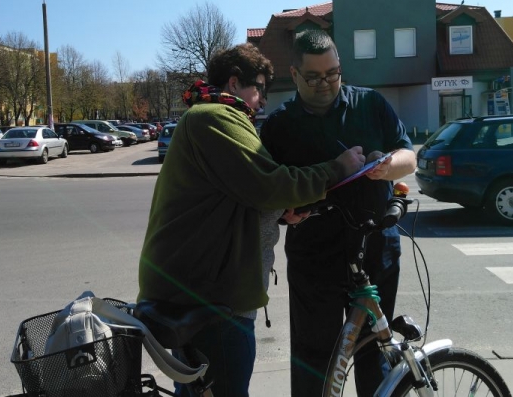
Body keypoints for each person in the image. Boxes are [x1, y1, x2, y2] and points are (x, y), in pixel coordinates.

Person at [137, 42, 365, 397]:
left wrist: (282, 212)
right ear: (233, 82)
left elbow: (239, 194)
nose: (262, 100)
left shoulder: (205, 118)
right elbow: (269, 184)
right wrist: (338, 168)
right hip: (213, 303)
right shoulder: (214, 117)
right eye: (258, 87)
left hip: (200, 295)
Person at [259, 29, 417, 397]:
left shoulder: (370, 104)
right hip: (315, 257)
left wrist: (388, 166)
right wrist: (283, 214)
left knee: (375, 354)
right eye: (313, 77)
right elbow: (266, 191)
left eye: (333, 73)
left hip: (376, 249)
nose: (326, 83)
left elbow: (409, 157)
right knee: (313, 358)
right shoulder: (280, 126)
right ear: (294, 75)